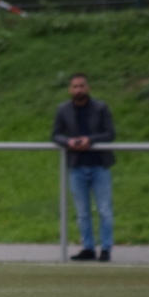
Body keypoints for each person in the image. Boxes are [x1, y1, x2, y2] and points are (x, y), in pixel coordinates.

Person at [52, 72, 116, 262]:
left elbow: (110, 133)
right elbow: (55, 134)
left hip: (99, 165)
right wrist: (69, 142)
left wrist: (90, 140)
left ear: (88, 87)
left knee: (104, 210)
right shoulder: (63, 110)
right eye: (75, 86)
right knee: (82, 212)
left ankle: (105, 249)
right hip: (77, 166)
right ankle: (88, 247)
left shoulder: (100, 108)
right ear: (70, 89)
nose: (79, 90)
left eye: (82, 86)